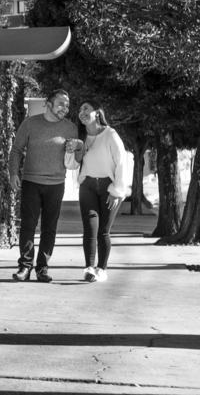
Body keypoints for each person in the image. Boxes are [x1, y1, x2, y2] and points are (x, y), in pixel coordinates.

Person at [8, 90, 82, 283]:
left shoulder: (70, 128)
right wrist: (14, 173)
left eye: (67, 105)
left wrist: (79, 147)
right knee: (28, 226)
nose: (64, 108)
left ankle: (42, 268)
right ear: (48, 104)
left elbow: (77, 159)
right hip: (31, 181)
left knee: (49, 228)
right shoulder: (30, 123)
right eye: (60, 104)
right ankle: (25, 267)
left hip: (56, 184)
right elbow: (16, 150)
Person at [76, 101, 131, 283]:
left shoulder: (110, 135)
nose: (82, 112)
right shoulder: (81, 137)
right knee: (90, 229)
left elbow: (122, 162)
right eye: (80, 109)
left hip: (109, 188)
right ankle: (89, 268)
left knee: (103, 232)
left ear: (97, 113)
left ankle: (102, 269)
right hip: (88, 187)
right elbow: (72, 164)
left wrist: (117, 191)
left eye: (86, 109)